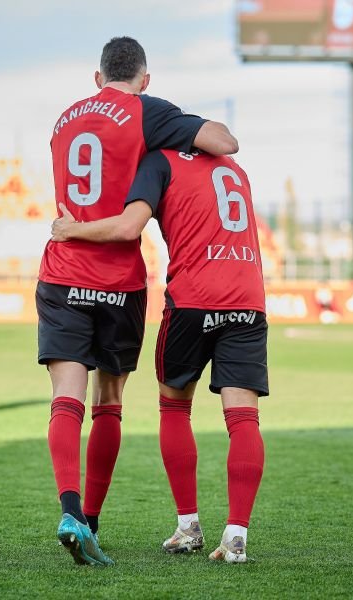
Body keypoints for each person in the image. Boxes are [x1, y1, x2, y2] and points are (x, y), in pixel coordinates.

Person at [40, 36, 239, 567]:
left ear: (97, 77)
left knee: (66, 394)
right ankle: (93, 521)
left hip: (62, 271)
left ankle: (70, 510)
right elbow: (224, 142)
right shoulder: (144, 109)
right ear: (144, 79)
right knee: (109, 400)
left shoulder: (63, 120)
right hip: (119, 281)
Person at [52, 149, 266, 563]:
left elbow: (130, 225)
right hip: (248, 298)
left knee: (174, 407)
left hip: (194, 298)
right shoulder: (234, 166)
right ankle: (236, 536)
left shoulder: (161, 162)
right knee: (243, 417)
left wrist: (72, 229)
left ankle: (189, 527)